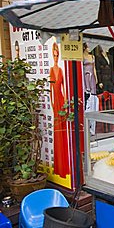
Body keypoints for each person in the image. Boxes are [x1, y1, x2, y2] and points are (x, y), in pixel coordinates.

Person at [49, 42, 69, 178]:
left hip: (61, 101)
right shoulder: (51, 70)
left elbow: (64, 88)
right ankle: (59, 165)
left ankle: (65, 164)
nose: (56, 58)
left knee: (63, 128)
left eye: (57, 56)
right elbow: (51, 89)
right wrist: (51, 103)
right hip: (55, 102)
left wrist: (66, 101)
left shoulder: (61, 70)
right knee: (57, 129)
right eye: (54, 56)